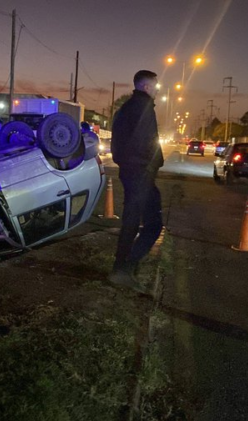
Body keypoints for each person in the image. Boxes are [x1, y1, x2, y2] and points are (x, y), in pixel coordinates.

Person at [109, 70, 164, 293]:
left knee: (132, 221)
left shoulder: (127, 108)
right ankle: (123, 269)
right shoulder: (142, 108)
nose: (157, 90)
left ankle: (122, 268)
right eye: (155, 86)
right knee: (152, 224)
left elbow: (119, 145)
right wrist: (152, 165)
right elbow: (146, 143)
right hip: (140, 173)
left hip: (132, 171)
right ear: (147, 87)